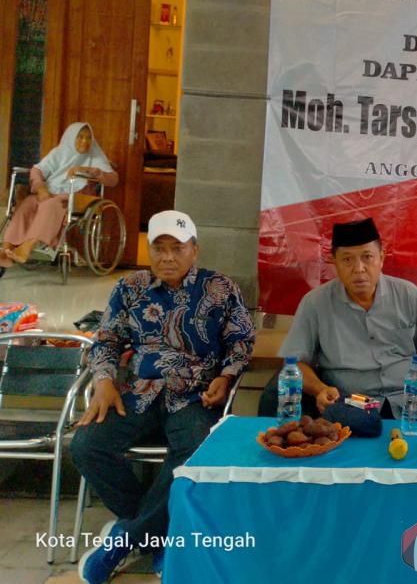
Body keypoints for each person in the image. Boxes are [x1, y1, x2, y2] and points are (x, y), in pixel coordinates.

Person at [71, 210, 255, 584]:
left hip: (194, 395)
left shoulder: (219, 288)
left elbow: (242, 341)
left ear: (194, 250)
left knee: (196, 452)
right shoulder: (129, 287)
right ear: (150, 251)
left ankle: (125, 539)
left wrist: (226, 376)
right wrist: (104, 380)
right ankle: (158, 535)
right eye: (160, 248)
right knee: (86, 446)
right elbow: (106, 341)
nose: (168, 257)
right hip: (138, 392)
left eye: (178, 248)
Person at [278, 217, 417, 420]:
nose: (358, 268)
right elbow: (295, 362)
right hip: (350, 404)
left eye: (367, 257)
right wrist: (320, 388)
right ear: (334, 262)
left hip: (405, 401)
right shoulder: (315, 303)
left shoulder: (408, 294)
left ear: (381, 257)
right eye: (347, 260)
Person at [1, 122, 118, 266]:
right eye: (80, 137)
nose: (85, 141)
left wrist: (86, 169)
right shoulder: (59, 153)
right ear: (70, 137)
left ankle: (28, 245)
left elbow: (113, 180)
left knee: (51, 205)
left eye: (89, 137)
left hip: (73, 196)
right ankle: (6, 248)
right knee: (27, 204)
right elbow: (37, 170)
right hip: (49, 191)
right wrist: (40, 187)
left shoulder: (95, 156)